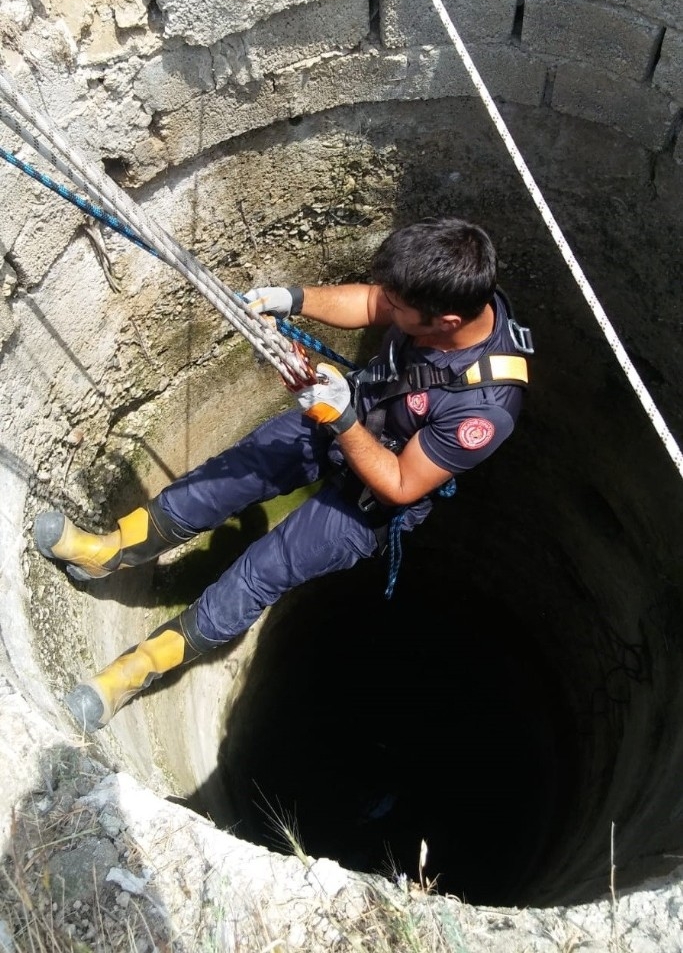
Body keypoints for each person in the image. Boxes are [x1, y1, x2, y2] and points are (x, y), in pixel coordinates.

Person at [34, 216, 532, 732]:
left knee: (262, 571)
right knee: (237, 470)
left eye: (400, 309)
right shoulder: (432, 293)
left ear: (446, 321)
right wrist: (291, 298)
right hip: (346, 413)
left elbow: (401, 483)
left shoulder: (487, 407)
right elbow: (370, 302)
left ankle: (138, 668)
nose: (389, 307)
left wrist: (341, 418)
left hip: (372, 499)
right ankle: (108, 553)